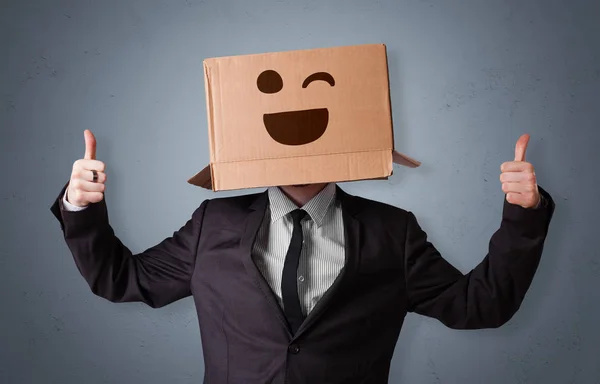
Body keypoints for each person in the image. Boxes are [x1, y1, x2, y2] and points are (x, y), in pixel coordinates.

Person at [51, 130, 554, 384]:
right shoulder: (213, 223)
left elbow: (479, 305)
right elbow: (121, 280)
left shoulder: (390, 230)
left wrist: (523, 214)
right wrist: (81, 207)